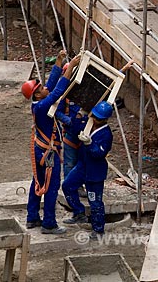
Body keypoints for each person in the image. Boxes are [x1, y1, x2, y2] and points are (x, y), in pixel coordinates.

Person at [21, 50, 81, 234]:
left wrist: (59, 61)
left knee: (37, 181)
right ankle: (49, 223)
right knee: (51, 186)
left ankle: (32, 217)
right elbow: (57, 90)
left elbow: (51, 84)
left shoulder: (38, 104)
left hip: (41, 149)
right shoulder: (43, 105)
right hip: (48, 153)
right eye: (40, 89)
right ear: (37, 95)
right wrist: (70, 68)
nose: (43, 87)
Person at [62, 101, 114, 238]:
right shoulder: (88, 123)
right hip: (82, 166)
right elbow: (73, 129)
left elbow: (100, 154)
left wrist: (90, 144)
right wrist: (79, 116)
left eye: (98, 119)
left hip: (95, 172)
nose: (95, 120)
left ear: (105, 119)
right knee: (67, 186)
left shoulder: (106, 134)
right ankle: (79, 212)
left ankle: (98, 230)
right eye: (94, 117)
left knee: (95, 201)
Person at [56, 63, 88, 197]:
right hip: (70, 134)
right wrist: (69, 121)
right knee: (70, 162)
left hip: (83, 132)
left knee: (82, 161)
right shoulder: (64, 94)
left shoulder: (83, 91)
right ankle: (69, 187)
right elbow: (57, 112)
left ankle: (79, 185)